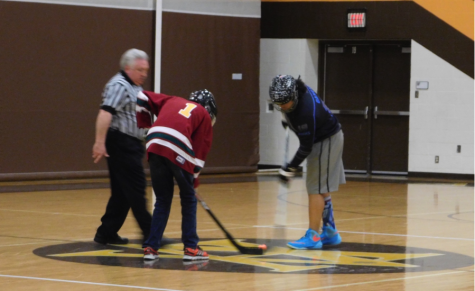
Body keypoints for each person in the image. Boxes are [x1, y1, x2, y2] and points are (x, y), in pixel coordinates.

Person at [136, 89, 217, 261]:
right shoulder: (204, 116)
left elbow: (142, 96)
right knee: (188, 198)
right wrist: (192, 183)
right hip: (177, 143)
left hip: (153, 142)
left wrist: (145, 125)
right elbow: (199, 157)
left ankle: (151, 247)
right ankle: (191, 248)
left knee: (163, 199)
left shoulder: (172, 99)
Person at [269, 74, 345, 249]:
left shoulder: (305, 111)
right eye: (278, 103)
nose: (281, 106)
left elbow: (305, 147)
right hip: (325, 137)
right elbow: (290, 113)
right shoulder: (295, 92)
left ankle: (313, 236)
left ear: (294, 96)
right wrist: (286, 118)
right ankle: (330, 232)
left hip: (326, 140)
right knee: (321, 188)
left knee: (315, 189)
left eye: (284, 103)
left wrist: (290, 168)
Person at [92, 48, 152, 245]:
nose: (144, 74)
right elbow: (105, 113)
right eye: (140, 69)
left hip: (132, 144)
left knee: (122, 192)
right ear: (127, 68)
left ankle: (106, 232)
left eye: (146, 70)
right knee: (136, 188)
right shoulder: (119, 85)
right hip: (121, 143)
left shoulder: (136, 87)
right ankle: (151, 233)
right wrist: (99, 143)